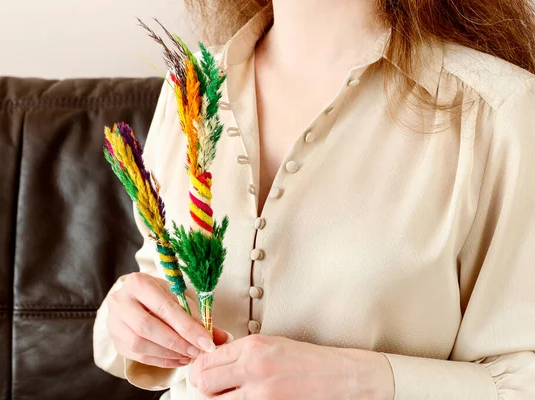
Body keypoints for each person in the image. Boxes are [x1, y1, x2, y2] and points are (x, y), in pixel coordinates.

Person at [93, 0, 535, 398]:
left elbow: (521, 379)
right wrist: (126, 319)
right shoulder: (189, 86)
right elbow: (156, 281)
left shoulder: (498, 114)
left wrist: (354, 380)